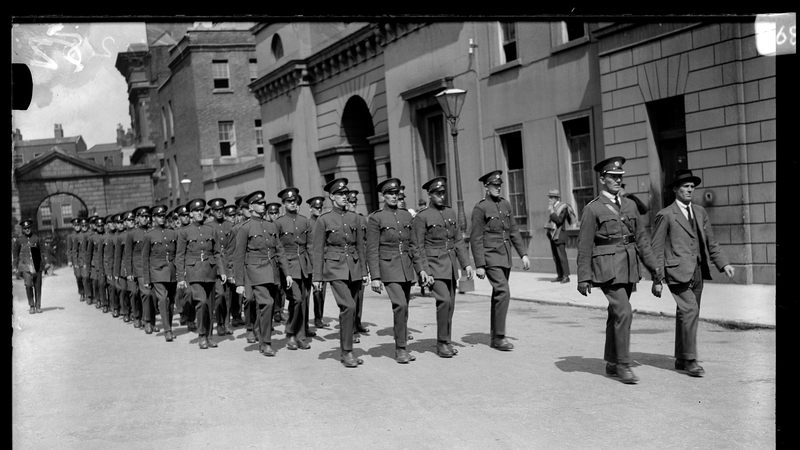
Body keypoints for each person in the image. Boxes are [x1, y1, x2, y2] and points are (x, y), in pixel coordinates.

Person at [576, 156, 662, 384]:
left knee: (616, 313)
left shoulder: (630, 205)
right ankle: (623, 364)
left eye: (619, 177)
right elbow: (584, 245)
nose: (616, 180)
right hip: (606, 269)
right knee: (624, 311)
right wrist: (583, 277)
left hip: (628, 267)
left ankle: (612, 361)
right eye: (612, 177)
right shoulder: (592, 209)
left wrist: (655, 268)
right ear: (602, 179)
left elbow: (642, 240)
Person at [651, 169, 735, 378]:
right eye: (685, 187)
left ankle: (680, 357)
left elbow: (711, 242)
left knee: (688, 313)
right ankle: (690, 359)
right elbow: (656, 249)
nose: (689, 190)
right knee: (689, 311)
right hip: (677, 272)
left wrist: (723, 264)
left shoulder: (699, 212)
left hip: (697, 271)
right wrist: (657, 279)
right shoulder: (666, 215)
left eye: (691, 187)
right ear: (675, 190)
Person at [412, 176, 475, 357]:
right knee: (444, 302)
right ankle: (441, 343)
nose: (442, 196)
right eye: (438, 193)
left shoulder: (450, 213)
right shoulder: (422, 217)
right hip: (433, 266)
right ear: (430, 195)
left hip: (450, 266)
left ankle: (446, 340)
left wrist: (466, 265)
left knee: (451, 304)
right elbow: (418, 246)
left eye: (443, 193)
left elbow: (458, 241)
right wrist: (423, 270)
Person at [470, 170, 531, 351]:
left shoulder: (505, 205)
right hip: (490, 257)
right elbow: (476, 238)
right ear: (486, 187)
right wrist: (479, 265)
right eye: (493, 185)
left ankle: (495, 336)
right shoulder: (480, 208)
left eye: (499, 185)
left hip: (505, 256)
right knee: (503, 291)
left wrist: (523, 254)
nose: (497, 188)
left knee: (498, 294)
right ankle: (500, 336)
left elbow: (513, 231)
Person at [311, 178, 368, 367]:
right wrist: (317, 277)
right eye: (340, 194)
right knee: (348, 307)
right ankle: (347, 352)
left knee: (351, 309)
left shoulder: (356, 219)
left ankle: (347, 348)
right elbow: (318, 250)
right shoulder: (324, 220)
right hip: (334, 268)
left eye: (346, 194)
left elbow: (361, 245)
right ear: (331, 196)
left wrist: (364, 271)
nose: (345, 197)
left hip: (354, 267)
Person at [367, 178, 419, 363]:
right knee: (400, 305)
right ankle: (401, 349)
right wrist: (375, 276)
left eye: (396, 193)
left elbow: (413, 245)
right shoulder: (376, 218)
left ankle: (402, 343)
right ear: (383, 196)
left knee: (404, 308)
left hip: (406, 266)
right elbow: (372, 249)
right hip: (388, 267)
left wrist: (420, 270)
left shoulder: (406, 216)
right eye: (390, 193)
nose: (394, 196)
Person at [234, 191, 292, 356]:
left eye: (263, 203)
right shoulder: (245, 228)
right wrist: (239, 283)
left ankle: (260, 334)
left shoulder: (271, 226)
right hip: (255, 271)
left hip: (272, 271)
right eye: (259, 203)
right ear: (251, 207)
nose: (262, 206)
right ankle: (266, 342)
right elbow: (238, 257)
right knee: (266, 303)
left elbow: (279, 250)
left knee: (268, 305)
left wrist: (286, 272)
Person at [176, 198, 227, 349]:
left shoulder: (211, 230)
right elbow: (180, 256)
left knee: (210, 305)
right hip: (194, 272)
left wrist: (222, 271)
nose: (199, 213)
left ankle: (210, 336)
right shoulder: (185, 232)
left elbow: (217, 253)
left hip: (210, 271)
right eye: (196, 211)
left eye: (201, 211)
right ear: (191, 214)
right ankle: (201, 334)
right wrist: (180, 278)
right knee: (202, 302)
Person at [275, 187, 315, 350]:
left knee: (303, 301)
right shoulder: (278, 223)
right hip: (288, 266)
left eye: (295, 201)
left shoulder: (305, 221)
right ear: (283, 203)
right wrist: (283, 271)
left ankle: (300, 336)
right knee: (296, 299)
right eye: (289, 201)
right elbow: (277, 248)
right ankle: (291, 332)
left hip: (304, 264)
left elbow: (311, 246)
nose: (293, 204)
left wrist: (314, 268)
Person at [143, 205, 179, 342]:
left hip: (171, 270)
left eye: (163, 215)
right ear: (153, 218)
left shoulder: (172, 233)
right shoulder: (149, 235)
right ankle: (167, 330)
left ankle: (168, 326)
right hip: (157, 271)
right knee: (163, 299)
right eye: (159, 216)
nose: (162, 218)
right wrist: (147, 279)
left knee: (170, 301)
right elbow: (145, 258)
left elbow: (176, 253)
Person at [207, 198, 233, 336]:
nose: (219, 212)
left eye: (221, 210)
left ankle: (226, 324)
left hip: (228, 263)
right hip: (216, 265)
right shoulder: (209, 227)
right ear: (211, 211)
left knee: (228, 296)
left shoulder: (230, 225)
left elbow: (232, 247)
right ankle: (220, 322)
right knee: (220, 295)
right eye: (216, 210)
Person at [346, 190, 370, 340]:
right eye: (350, 202)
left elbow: (366, 240)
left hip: (360, 259)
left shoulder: (362, 219)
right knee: (350, 295)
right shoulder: (344, 219)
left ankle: (358, 321)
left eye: (355, 202)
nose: (353, 205)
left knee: (359, 294)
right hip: (347, 260)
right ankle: (351, 327)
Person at [124, 206, 151, 329]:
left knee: (151, 295)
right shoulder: (132, 234)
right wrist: (129, 272)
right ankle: (138, 317)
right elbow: (128, 254)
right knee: (140, 293)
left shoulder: (152, 231)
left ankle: (149, 319)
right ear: (137, 218)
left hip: (152, 266)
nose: (145, 219)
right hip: (139, 267)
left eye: (147, 216)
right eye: (142, 216)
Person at [13, 219, 49, 314]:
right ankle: (31, 305)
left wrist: (46, 262)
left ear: (31, 228)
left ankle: (38, 306)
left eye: (28, 227)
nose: (27, 229)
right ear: (23, 229)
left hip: (37, 266)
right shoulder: (19, 240)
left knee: (37, 286)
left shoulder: (37, 239)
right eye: (25, 228)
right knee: (28, 285)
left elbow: (43, 251)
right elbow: (15, 254)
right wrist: (15, 267)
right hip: (25, 266)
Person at [306, 195, 330, 330]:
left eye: (320, 207)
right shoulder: (308, 224)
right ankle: (305, 322)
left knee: (321, 292)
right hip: (310, 262)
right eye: (316, 208)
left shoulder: (325, 222)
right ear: (310, 209)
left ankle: (318, 318)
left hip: (323, 261)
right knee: (310, 294)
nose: (319, 210)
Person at [545, 189, 572, 284]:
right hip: (553, 235)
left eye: (551, 198)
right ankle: (560, 275)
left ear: (556, 198)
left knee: (562, 256)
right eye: (549, 197)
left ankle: (566, 276)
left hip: (560, 235)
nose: (549, 199)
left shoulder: (563, 208)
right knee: (556, 256)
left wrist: (552, 212)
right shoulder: (553, 207)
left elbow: (559, 221)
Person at [113, 211, 135, 323]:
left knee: (132, 291)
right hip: (122, 267)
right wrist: (116, 273)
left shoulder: (137, 234)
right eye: (129, 220)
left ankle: (133, 312)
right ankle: (125, 311)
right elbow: (117, 256)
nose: (132, 222)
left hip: (134, 266)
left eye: (133, 220)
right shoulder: (120, 237)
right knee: (122, 290)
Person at [67, 218, 84, 301]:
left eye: (78, 225)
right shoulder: (70, 236)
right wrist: (70, 260)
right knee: (78, 276)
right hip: (75, 259)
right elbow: (69, 249)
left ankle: (88, 293)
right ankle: (81, 292)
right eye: (76, 225)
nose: (77, 227)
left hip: (83, 259)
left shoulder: (84, 235)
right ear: (73, 226)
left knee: (85, 276)